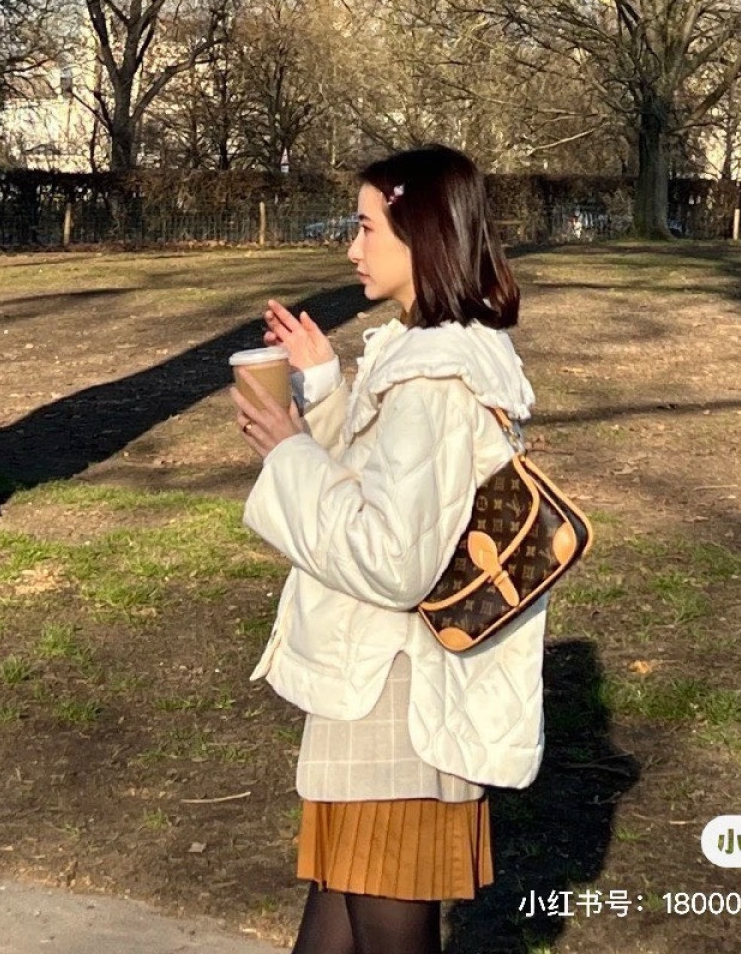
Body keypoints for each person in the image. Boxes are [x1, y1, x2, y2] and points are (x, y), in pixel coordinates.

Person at [230, 144, 546, 954]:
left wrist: (288, 453)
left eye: (367, 227)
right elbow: (387, 490)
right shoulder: (426, 354)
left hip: (398, 699)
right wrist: (323, 389)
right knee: (335, 929)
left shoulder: (433, 378)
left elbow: (393, 559)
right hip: (377, 689)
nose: (352, 248)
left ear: (422, 233)